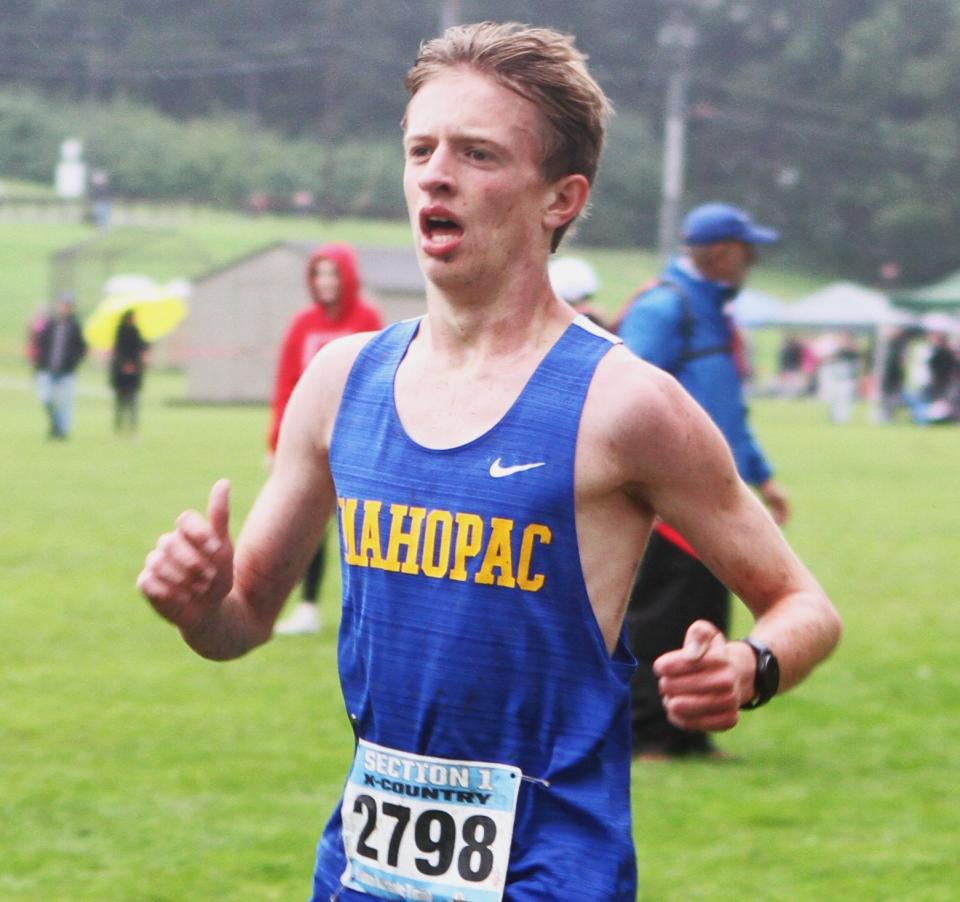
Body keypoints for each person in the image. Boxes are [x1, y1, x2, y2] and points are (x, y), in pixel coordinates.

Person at [138, 23, 841, 901]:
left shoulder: (625, 404)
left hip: (549, 876)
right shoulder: (340, 382)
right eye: (421, 148)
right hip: (361, 871)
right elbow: (239, 624)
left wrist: (751, 666)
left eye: (477, 154)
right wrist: (199, 607)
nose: (435, 173)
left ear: (560, 198)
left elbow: (803, 604)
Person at [618, 202, 793, 759]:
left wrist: (761, 476)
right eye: (747, 252)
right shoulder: (667, 306)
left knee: (703, 616)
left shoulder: (709, 310)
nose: (753, 262)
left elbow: (726, 408)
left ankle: (691, 732)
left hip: (716, 497)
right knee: (660, 616)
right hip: (671, 502)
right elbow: (626, 398)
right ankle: (649, 733)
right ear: (720, 254)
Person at [268, 243, 384, 635]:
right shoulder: (302, 325)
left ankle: (370, 611)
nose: (326, 282)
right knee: (306, 527)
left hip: (357, 442)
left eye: (333, 274)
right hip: (311, 443)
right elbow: (285, 386)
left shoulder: (367, 319)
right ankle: (307, 606)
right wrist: (275, 443)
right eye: (319, 274)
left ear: (347, 277)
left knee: (360, 529)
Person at [35, 291, 87, 440]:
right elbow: (41, 343)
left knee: (65, 403)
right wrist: (40, 362)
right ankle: (56, 425)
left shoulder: (75, 326)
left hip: (66, 371)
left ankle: (62, 431)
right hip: (47, 369)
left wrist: (73, 363)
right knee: (45, 398)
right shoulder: (50, 324)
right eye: (63, 304)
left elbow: (82, 349)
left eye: (68, 305)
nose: (65, 308)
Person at [110, 310, 149, 435]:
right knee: (120, 402)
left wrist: (135, 365)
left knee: (133, 401)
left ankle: (133, 426)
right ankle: (119, 426)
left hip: (134, 373)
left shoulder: (137, 332)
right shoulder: (120, 332)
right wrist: (124, 365)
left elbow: (141, 348)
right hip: (121, 374)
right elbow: (118, 351)